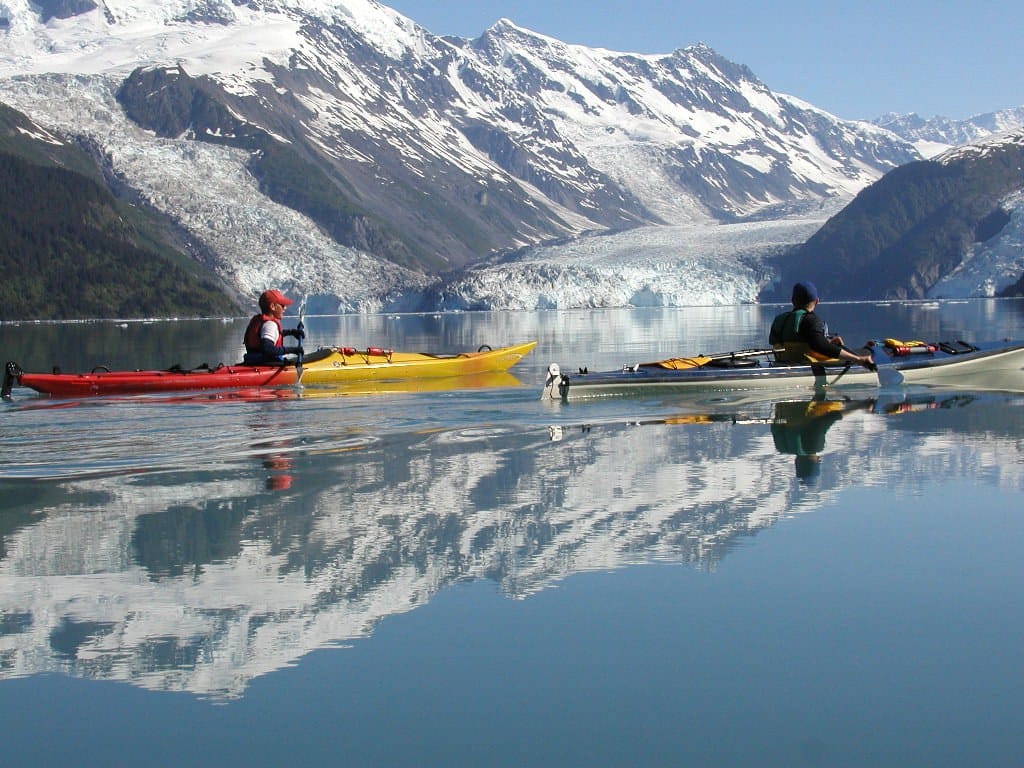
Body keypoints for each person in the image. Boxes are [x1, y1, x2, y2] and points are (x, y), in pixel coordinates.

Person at [768, 281, 873, 366]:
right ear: (817, 301)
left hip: (780, 362)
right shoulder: (811, 319)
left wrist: (828, 342)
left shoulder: (779, 319)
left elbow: (798, 341)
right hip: (804, 364)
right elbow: (821, 347)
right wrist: (857, 359)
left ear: (792, 300)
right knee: (848, 359)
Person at [242, 289, 305, 365]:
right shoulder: (270, 324)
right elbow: (267, 349)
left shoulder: (261, 322)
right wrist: (293, 350)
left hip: (253, 361)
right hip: (266, 365)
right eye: (282, 305)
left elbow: (269, 334)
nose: (285, 308)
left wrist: (291, 332)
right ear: (272, 306)